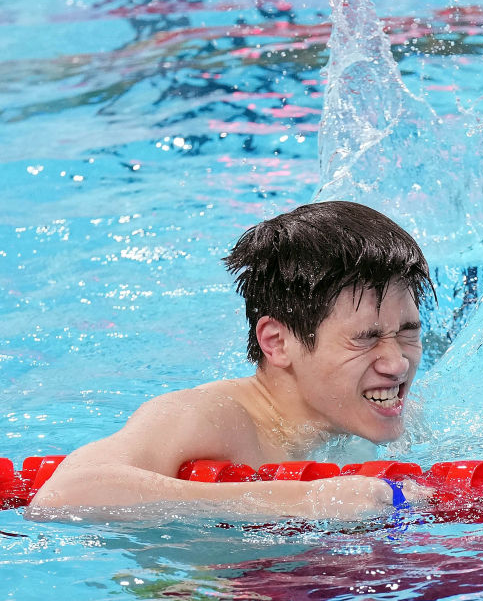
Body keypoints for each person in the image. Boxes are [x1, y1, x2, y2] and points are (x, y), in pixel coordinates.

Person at [29, 201, 433, 520]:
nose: (397, 364)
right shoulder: (210, 416)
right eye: (366, 339)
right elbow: (64, 495)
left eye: (407, 332)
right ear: (277, 343)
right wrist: (304, 499)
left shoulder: (393, 418)